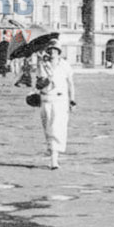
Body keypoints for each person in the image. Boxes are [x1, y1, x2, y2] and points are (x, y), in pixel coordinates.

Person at [35, 40, 76, 170]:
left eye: (55, 50)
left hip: (60, 100)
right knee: (48, 129)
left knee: (57, 128)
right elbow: (38, 83)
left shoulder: (65, 65)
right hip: (46, 99)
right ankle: (52, 153)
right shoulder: (42, 64)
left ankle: (54, 159)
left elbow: (70, 83)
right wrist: (45, 75)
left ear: (59, 52)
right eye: (50, 50)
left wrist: (72, 100)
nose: (52, 52)